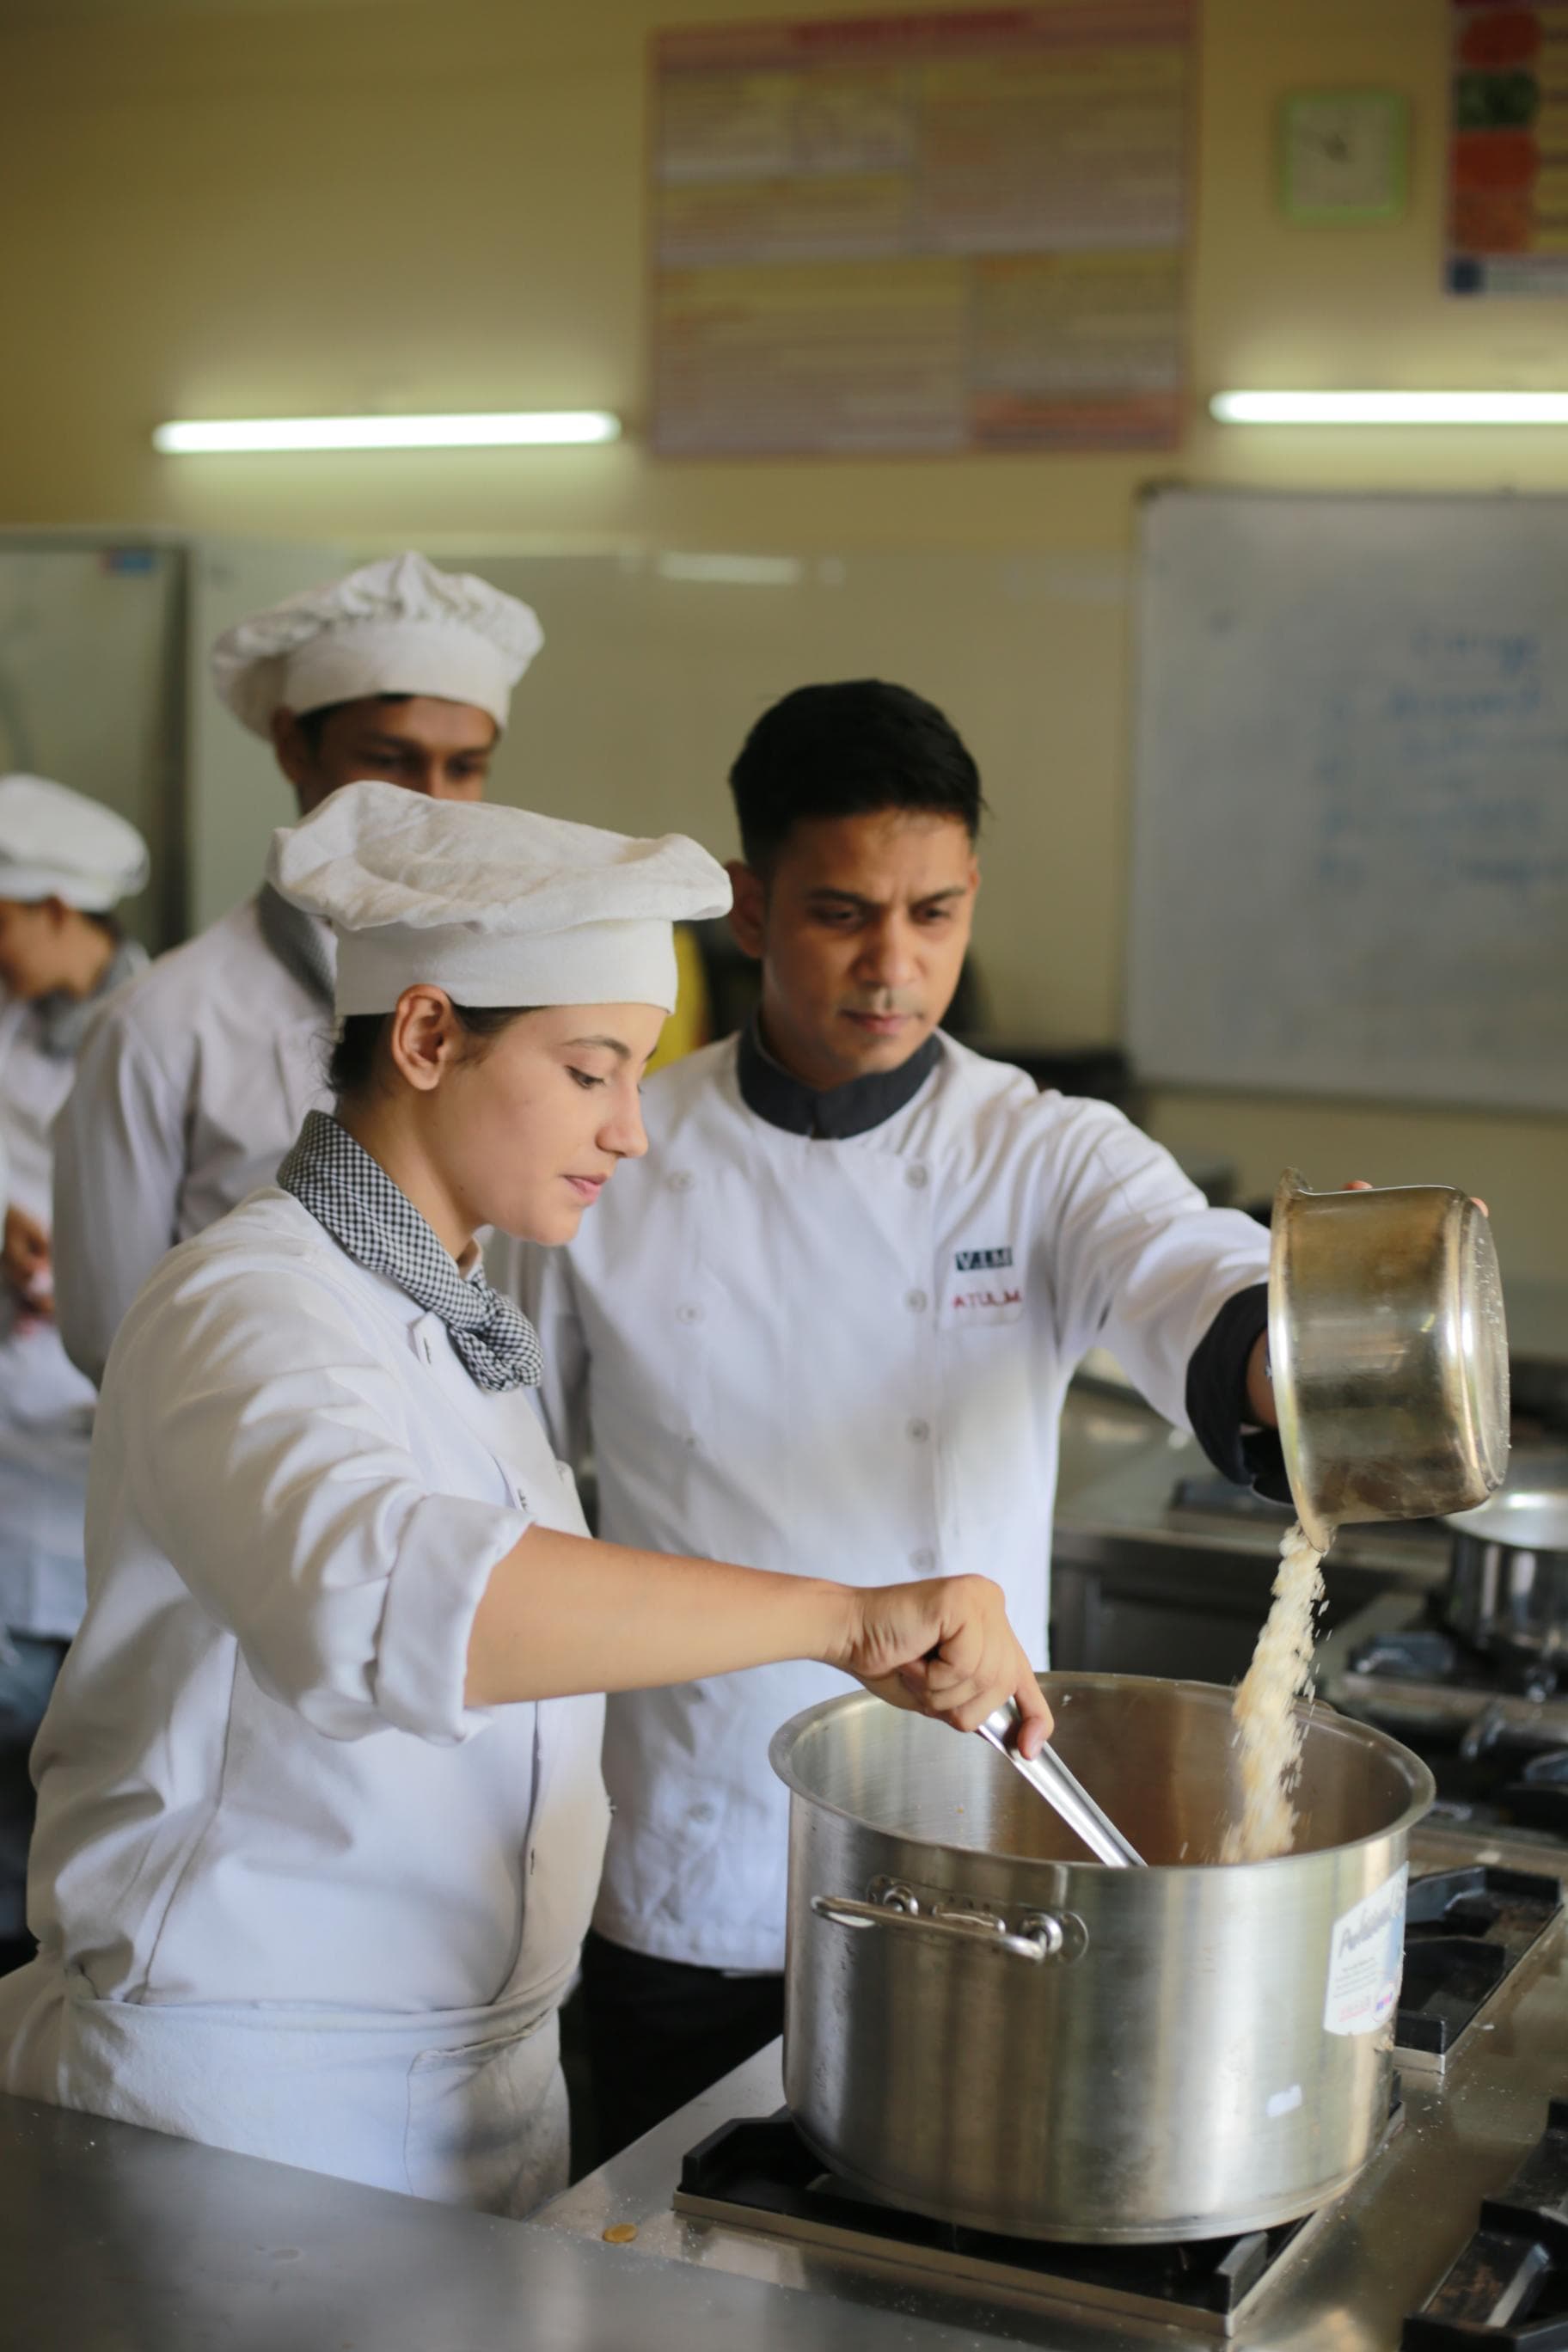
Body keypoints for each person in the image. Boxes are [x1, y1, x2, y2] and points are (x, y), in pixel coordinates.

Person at [0, 780, 1049, 2218]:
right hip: (247, 2113)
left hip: (471, 2084)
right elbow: (385, 1601)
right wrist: (841, 1618)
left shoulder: (451, 1316)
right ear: (428, 1036)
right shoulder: (246, 1308)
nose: (631, 1130)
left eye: (638, 1075)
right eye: (590, 1072)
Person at [508, 679, 1283, 2157]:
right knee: (667, 2245)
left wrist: (1294, 1342)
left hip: (969, 1854)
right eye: (841, 914)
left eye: (934, 913)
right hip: (691, 1860)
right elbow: (509, 1470)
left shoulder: (1042, 1154)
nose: (894, 965)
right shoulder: (614, 1155)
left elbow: (1186, 1271)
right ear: (748, 908)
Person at [52, 551, 543, 1386]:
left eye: (463, 767)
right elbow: (111, 1331)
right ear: (292, 745)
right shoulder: (159, 1025)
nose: (429, 804)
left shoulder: (512, 999)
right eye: (390, 759)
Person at [0, 777, 151, 1975]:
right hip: (16, 1448)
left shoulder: (160, 1031)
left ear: (57, 909)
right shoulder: (11, 1023)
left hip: (118, 1443)